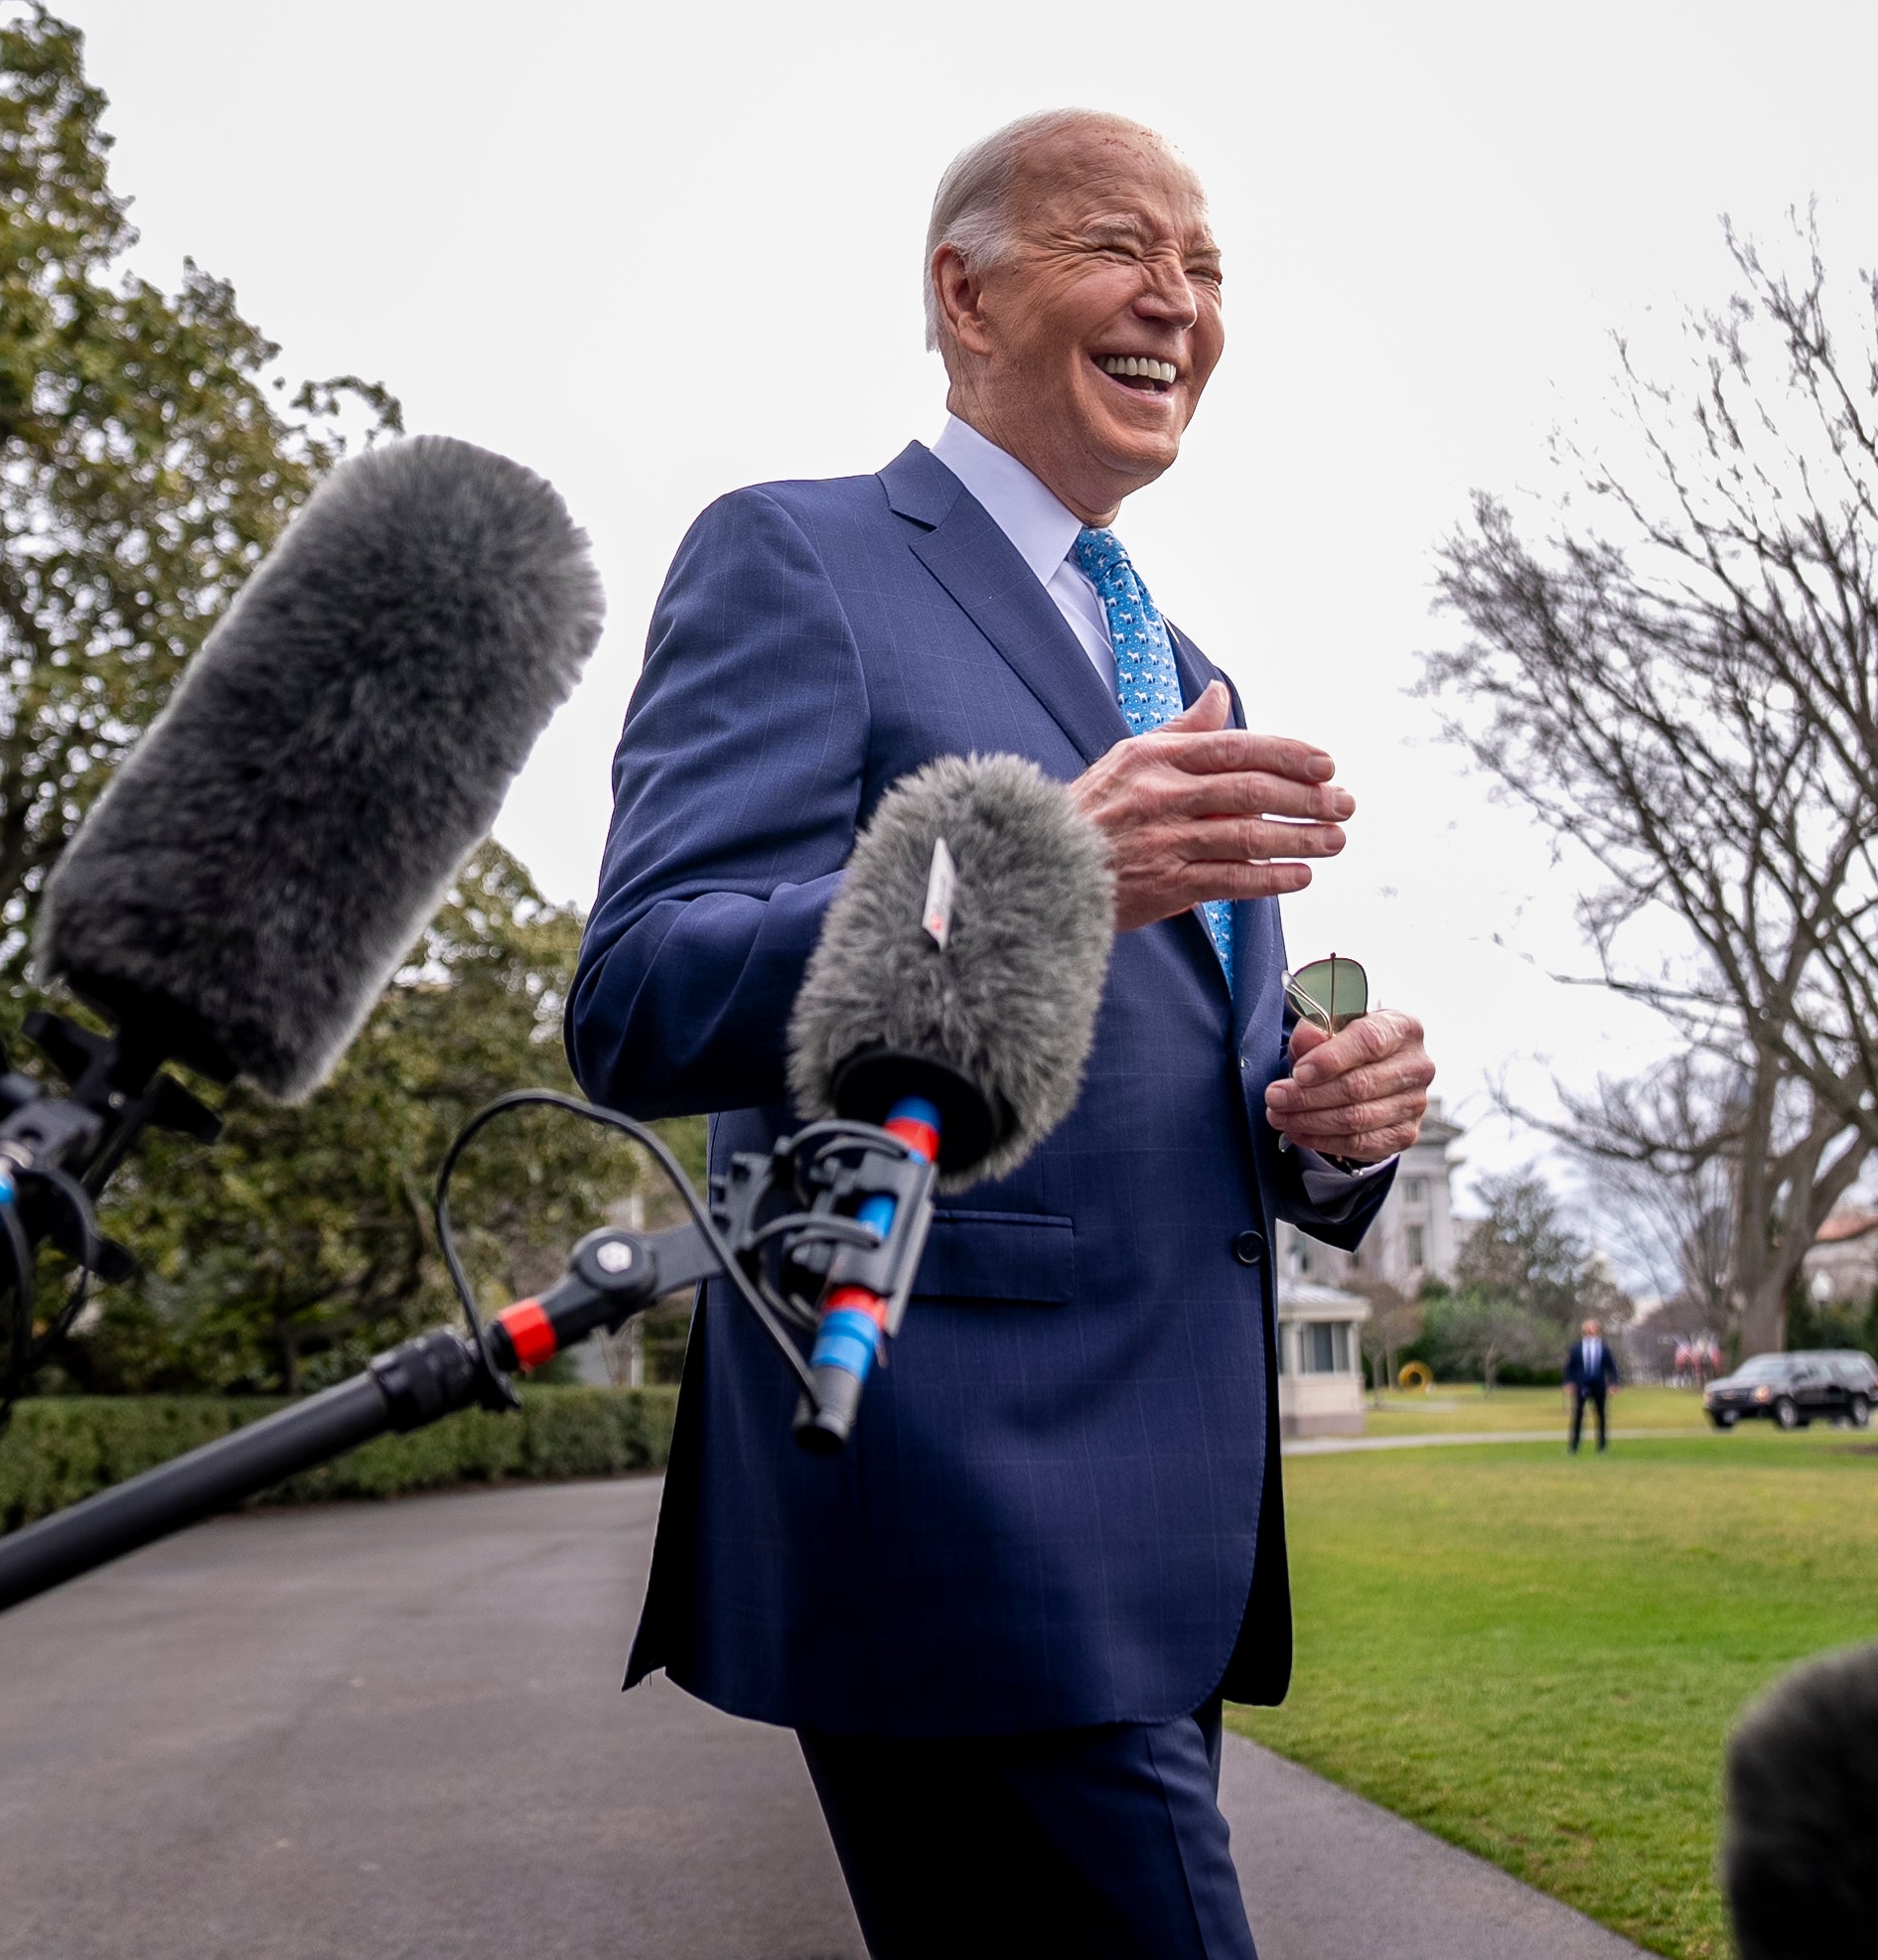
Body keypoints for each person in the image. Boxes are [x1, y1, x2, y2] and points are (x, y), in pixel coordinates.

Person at [567, 110, 1438, 1959]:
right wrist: (1036, 869)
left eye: (1207, 271)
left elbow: (1166, 1065)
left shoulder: (1183, 658)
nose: (1178, 303)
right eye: (1123, 247)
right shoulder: (794, 560)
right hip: (951, 1505)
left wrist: (1321, 1122)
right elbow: (642, 993)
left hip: (1168, 1529)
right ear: (962, 292)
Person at [1563, 1316, 1622, 1454]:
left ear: (1597, 1330)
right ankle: (1574, 1447)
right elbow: (1569, 1367)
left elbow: (1611, 1367)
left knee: (1600, 1415)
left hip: (1599, 1385)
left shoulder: (1604, 1348)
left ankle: (1602, 1447)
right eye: (1588, 1328)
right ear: (1584, 1330)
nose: (1591, 1331)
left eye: (1593, 1328)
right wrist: (1568, 1382)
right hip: (1581, 1385)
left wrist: (1614, 1383)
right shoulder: (1576, 1348)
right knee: (1578, 1415)